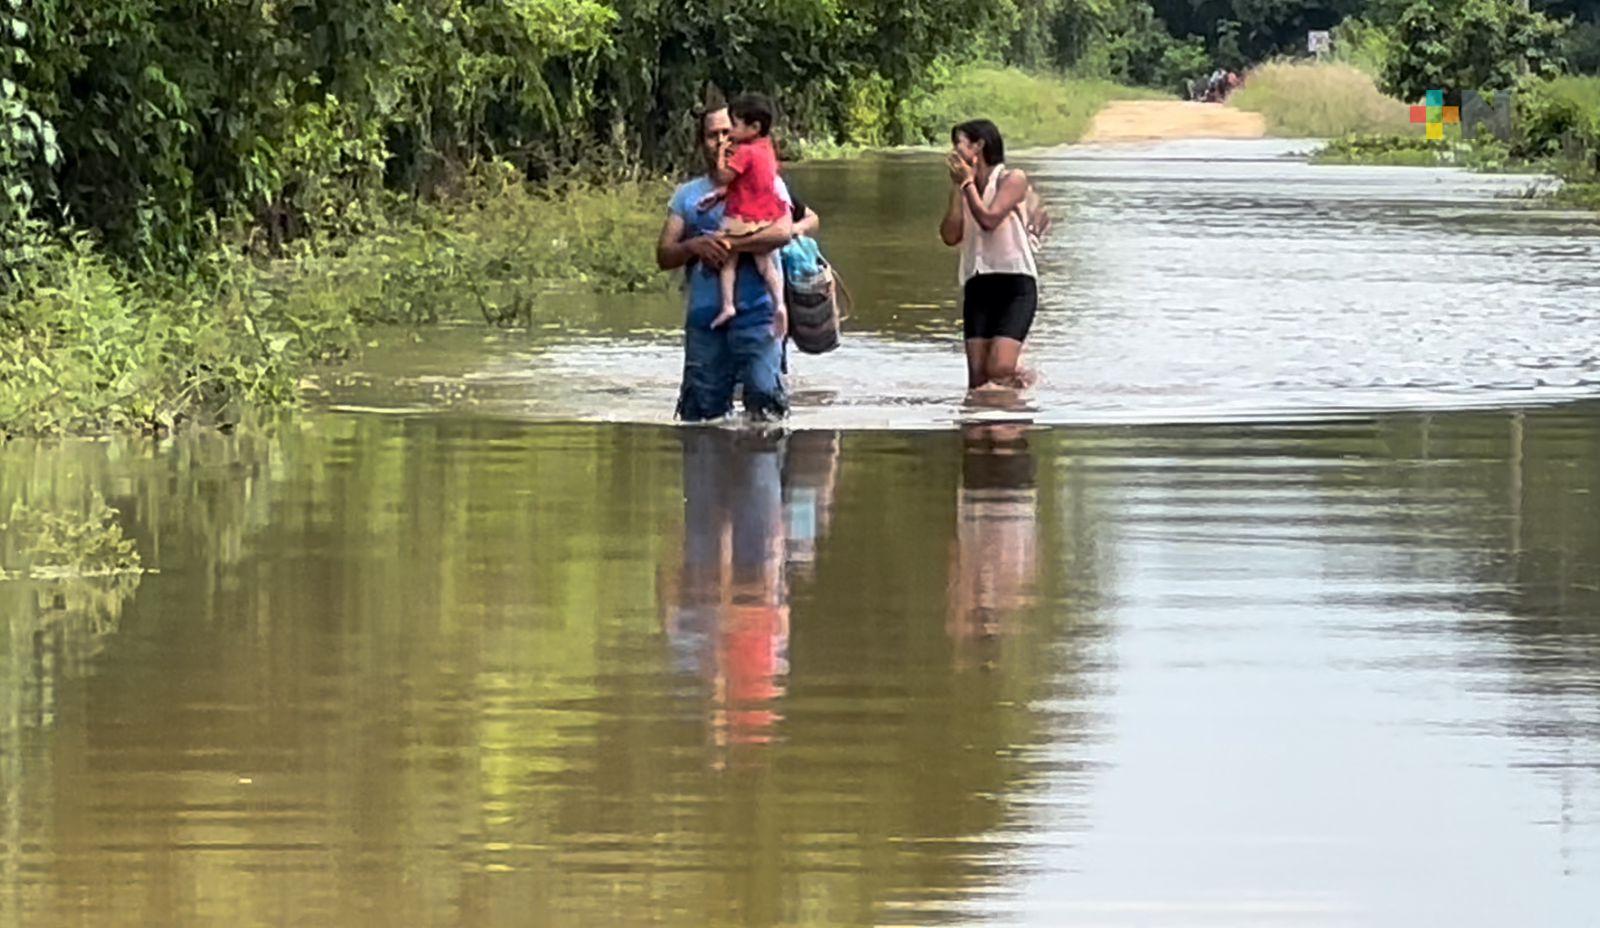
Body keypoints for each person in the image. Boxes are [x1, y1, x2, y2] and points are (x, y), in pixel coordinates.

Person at [656, 105, 816, 422]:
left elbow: (783, 231)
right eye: (712, 135)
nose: (721, 141)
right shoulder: (687, 196)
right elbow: (664, 255)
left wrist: (731, 244)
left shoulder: (768, 182)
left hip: (760, 318)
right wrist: (694, 246)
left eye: (727, 133)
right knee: (701, 415)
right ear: (701, 143)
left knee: (766, 410)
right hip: (705, 321)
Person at [939, 118, 1048, 392]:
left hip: (1015, 284)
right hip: (978, 282)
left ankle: (1020, 393)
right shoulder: (966, 187)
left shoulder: (1012, 179)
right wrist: (958, 189)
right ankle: (980, 428)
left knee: (998, 368)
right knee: (977, 379)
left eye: (959, 144)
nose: (954, 152)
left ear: (979, 146)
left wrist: (967, 186)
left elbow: (989, 220)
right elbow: (950, 236)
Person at [706, 94, 790, 331]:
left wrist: (722, 154)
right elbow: (753, 181)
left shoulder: (745, 151)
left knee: (727, 260)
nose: (729, 131)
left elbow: (724, 177)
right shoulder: (767, 148)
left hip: (741, 215)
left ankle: (728, 305)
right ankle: (780, 304)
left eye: (734, 125)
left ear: (753, 127)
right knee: (765, 265)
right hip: (766, 214)